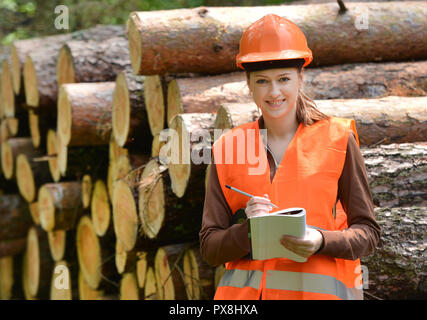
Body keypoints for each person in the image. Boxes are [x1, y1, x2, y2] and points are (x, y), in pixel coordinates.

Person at [199, 14, 381, 300]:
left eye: (283, 79)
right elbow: (209, 247)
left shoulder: (337, 138)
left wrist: (321, 240)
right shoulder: (227, 148)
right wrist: (248, 232)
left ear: (300, 77)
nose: (274, 92)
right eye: (262, 81)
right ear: (249, 84)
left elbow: (368, 233)